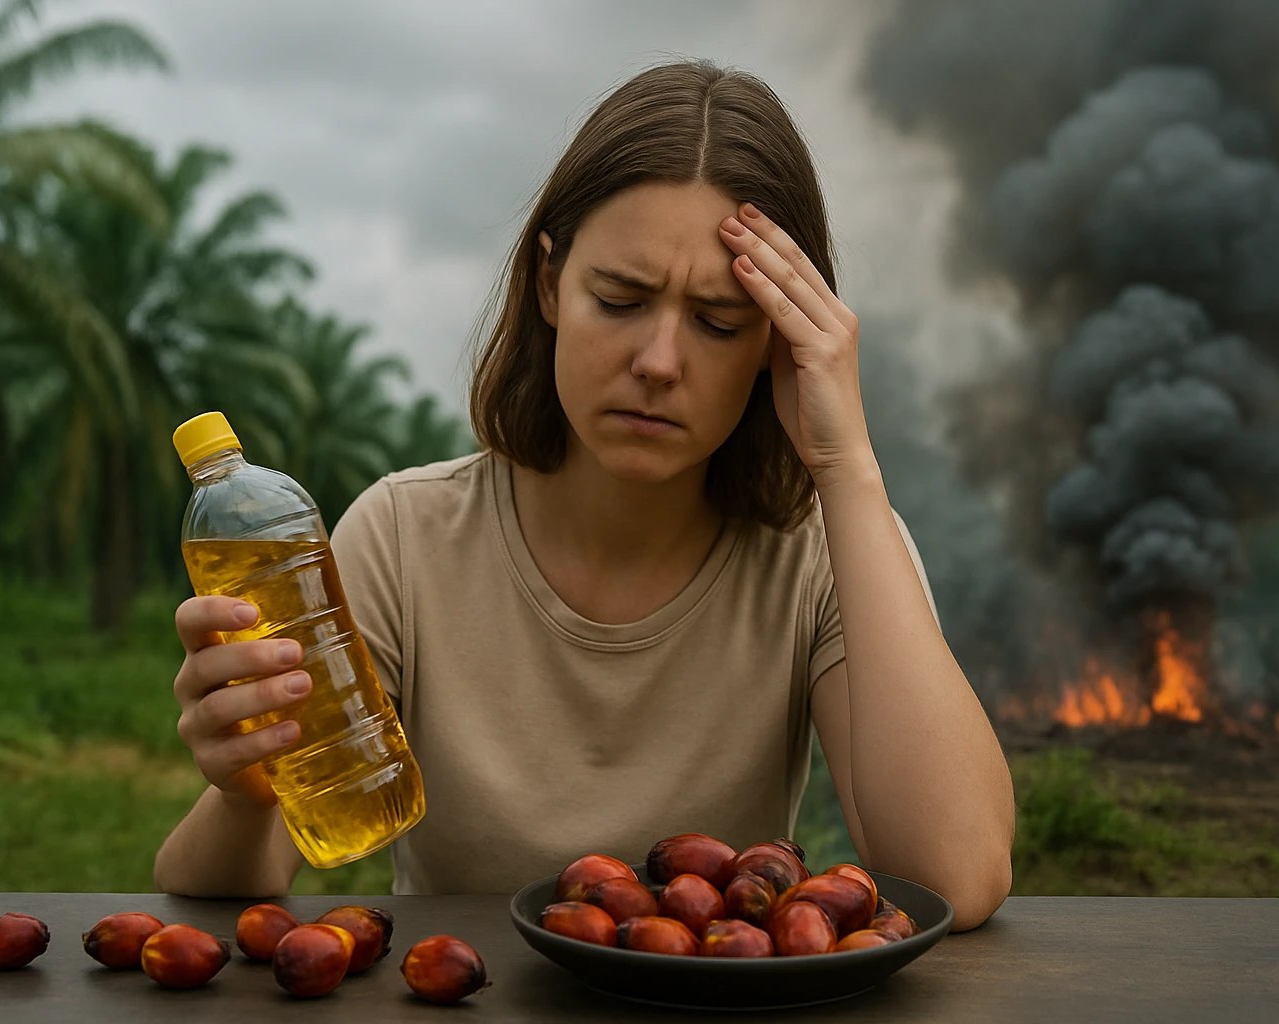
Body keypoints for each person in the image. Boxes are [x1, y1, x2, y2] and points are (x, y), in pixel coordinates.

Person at [153, 59, 1015, 931]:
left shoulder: (824, 553)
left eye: (719, 324)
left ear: (777, 346)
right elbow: (231, 877)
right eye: (621, 299)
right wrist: (246, 788)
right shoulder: (405, 538)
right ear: (549, 284)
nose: (660, 362)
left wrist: (848, 468)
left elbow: (955, 877)